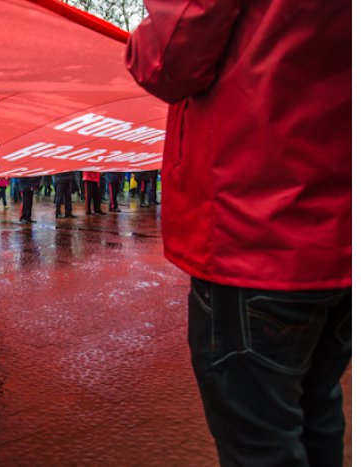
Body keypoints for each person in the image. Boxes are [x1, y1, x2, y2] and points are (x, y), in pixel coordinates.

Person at [126, 0, 351, 465]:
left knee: (262, 444)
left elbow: (163, 60)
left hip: (254, 231)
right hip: (342, 234)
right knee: (318, 413)